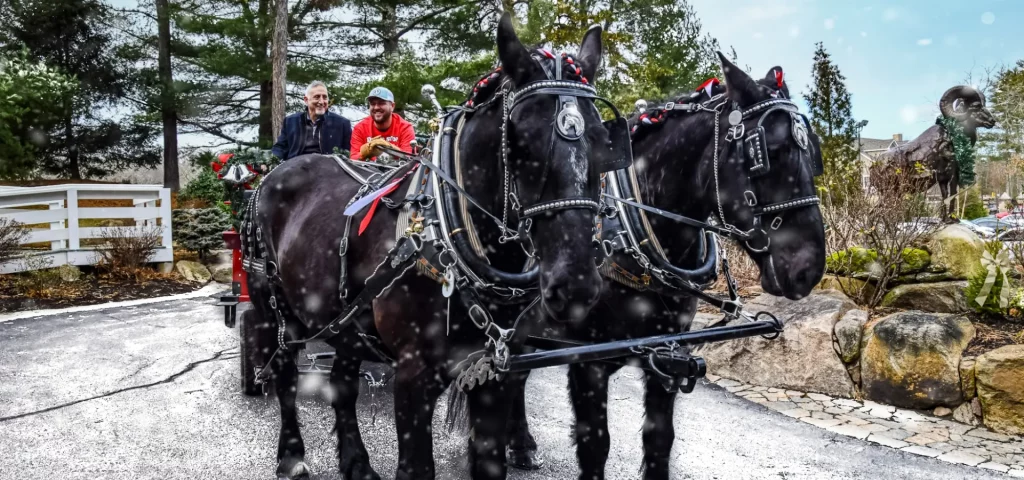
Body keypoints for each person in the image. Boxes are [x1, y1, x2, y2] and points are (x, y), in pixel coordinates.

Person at [271, 81, 352, 161]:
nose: (321, 102)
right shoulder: (291, 122)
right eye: (317, 97)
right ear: (306, 100)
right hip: (296, 168)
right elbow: (280, 148)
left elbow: (348, 153)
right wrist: (270, 161)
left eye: (324, 97)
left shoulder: (342, 124)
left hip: (329, 170)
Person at [350, 86, 416, 161]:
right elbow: (353, 159)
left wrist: (389, 148)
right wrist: (366, 152)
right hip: (368, 171)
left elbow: (408, 159)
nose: (376, 107)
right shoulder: (360, 128)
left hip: (398, 171)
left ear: (392, 106)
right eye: (372, 104)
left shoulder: (405, 127)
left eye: (381, 103)